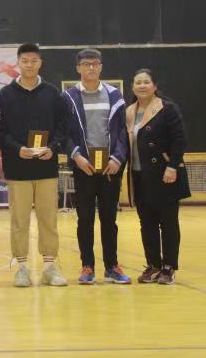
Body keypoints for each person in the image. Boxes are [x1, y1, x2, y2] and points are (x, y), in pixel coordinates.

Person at [0, 43, 68, 287]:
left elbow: (62, 127)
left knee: (49, 219)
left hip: (47, 168)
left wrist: (53, 148)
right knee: (19, 220)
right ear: (18, 62)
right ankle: (22, 268)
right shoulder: (5, 95)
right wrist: (18, 149)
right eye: (24, 61)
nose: (29, 65)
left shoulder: (52, 93)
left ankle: (49, 267)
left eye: (33, 61)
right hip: (18, 169)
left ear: (40, 63)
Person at [63, 48, 131, 285]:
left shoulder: (115, 95)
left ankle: (112, 267)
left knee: (109, 219)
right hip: (84, 167)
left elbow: (122, 131)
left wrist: (117, 158)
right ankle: (87, 266)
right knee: (85, 219)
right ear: (78, 68)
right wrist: (77, 156)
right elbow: (64, 133)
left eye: (95, 64)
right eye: (86, 64)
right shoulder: (68, 97)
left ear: (101, 67)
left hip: (110, 168)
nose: (91, 68)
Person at [127, 69, 190, 285]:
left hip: (164, 174)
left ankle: (169, 267)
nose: (142, 86)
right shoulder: (129, 111)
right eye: (138, 82)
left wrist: (172, 166)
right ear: (133, 87)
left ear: (154, 86)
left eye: (146, 82)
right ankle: (153, 264)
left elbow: (179, 139)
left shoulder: (167, 108)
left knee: (168, 223)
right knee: (147, 223)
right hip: (139, 175)